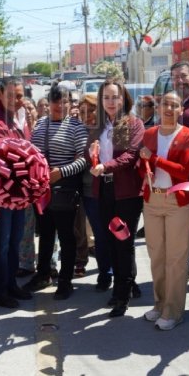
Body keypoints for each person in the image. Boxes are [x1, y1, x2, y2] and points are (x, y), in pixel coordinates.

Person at [139, 91, 189, 330]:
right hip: (152, 199)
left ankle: (173, 311)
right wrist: (144, 168)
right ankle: (160, 304)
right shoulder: (149, 133)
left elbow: (183, 171)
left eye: (175, 105)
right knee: (156, 256)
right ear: (158, 107)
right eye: (165, 104)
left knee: (176, 258)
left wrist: (154, 159)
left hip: (177, 202)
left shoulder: (188, 136)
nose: (169, 109)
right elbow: (141, 165)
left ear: (181, 110)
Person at [25, 86, 89, 300]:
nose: (59, 106)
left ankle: (65, 280)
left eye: (64, 102)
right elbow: (31, 153)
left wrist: (61, 172)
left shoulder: (76, 127)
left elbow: (83, 159)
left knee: (66, 236)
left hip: (65, 190)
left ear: (70, 103)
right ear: (49, 102)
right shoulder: (40, 125)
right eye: (55, 101)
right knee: (45, 235)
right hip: (42, 190)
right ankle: (43, 274)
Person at [89, 78, 144, 318]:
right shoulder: (100, 125)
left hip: (127, 192)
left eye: (115, 97)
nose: (111, 102)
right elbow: (93, 155)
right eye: (106, 97)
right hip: (104, 190)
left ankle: (122, 295)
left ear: (124, 99)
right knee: (111, 241)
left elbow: (130, 156)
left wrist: (105, 166)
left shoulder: (134, 123)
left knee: (124, 242)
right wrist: (91, 154)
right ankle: (125, 284)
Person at [0, 77, 34, 309]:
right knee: (2, 244)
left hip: (19, 191)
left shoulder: (20, 116)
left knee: (15, 240)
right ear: (0, 95)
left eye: (20, 95)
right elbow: (9, 153)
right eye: (11, 95)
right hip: (3, 192)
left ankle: (11, 283)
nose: (16, 99)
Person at [79, 94, 113, 291]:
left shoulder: (107, 129)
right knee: (100, 234)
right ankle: (105, 273)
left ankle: (125, 275)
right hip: (89, 191)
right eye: (83, 112)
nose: (87, 115)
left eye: (91, 110)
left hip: (111, 188)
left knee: (117, 233)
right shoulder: (78, 131)